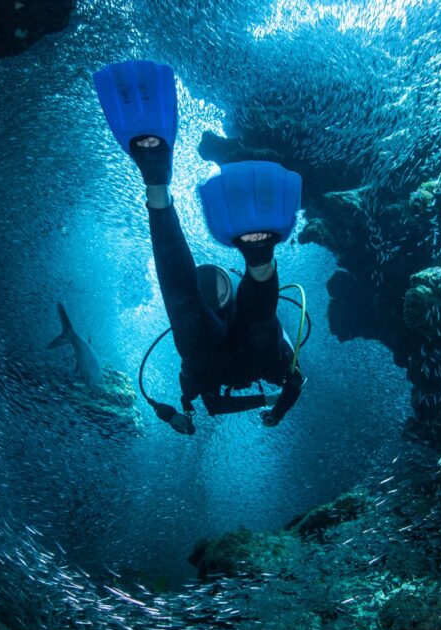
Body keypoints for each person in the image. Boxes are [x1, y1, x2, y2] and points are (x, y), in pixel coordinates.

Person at [93, 60, 305, 434]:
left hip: (218, 362)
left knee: (188, 309)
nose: (215, 301)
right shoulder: (263, 346)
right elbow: (293, 382)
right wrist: (274, 409)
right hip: (253, 358)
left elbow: (207, 405)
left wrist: (179, 416)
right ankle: (259, 262)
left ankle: (157, 186)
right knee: (236, 319)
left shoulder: (206, 355)